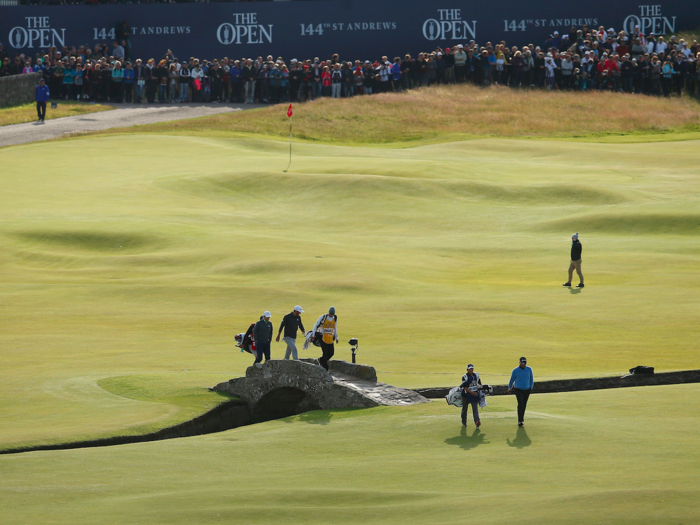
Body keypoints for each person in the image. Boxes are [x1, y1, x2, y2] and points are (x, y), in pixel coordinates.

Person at [508, 357, 534, 426]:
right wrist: (509, 388)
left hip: (527, 390)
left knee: (524, 404)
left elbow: (531, 379)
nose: (523, 365)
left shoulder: (529, 369)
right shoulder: (515, 370)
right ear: (520, 363)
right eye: (522, 363)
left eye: (524, 363)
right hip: (518, 389)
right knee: (520, 404)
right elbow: (512, 380)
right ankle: (520, 420)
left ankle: (522, 418)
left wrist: (530, 387)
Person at [313, 306, 338, 371]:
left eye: (332, 314)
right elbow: (316, 325)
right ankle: (325, 369)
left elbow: (335, 328)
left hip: (330, 337)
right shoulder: (323, 317)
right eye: (330, 314)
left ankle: (321, 360)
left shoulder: (335, 318)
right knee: (325, 353)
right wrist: (313, 334)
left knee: (331, 353)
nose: (331, 315)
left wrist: (336, 337)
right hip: (322, 337)